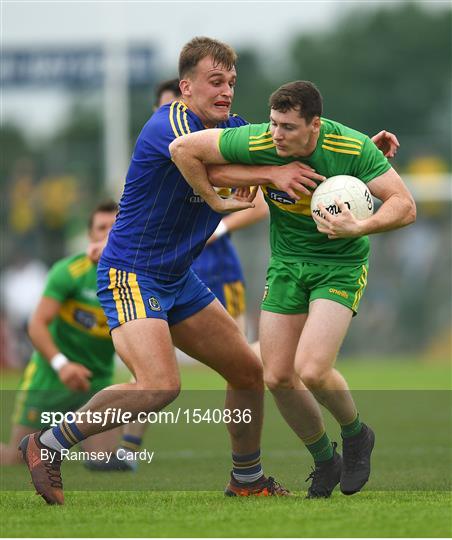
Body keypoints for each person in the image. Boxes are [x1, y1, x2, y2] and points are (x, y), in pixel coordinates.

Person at [20, 37, 327, 505]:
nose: (226, 92)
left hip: (178, 277)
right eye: (215, 82)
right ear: (186, 87)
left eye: (231, 83)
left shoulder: (235, 128)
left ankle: (247, 479)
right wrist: (269, 175)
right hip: (131, 273)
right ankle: (47, 444)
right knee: (160, 385)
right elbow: (218, 170)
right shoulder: (169, 125)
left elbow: (291, 142)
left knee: (247, 371)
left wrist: (363, 155)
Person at [169, 80, 415, 498]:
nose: (276, 134)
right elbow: (183, 151)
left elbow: (404, 205)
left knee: (313, 369)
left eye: (287, 127)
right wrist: (263, 175)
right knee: (278, 374)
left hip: (339, 265)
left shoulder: (353, 148)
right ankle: (325, 459)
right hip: (286, 265)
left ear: (314, 125)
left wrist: (360, 226)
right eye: (273, 124)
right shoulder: (262, 141)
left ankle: (357, 435)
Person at [1, 201, 119, 465]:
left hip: (97, 382)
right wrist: (62, 365)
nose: (109, 233)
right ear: (91, 236)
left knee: (103, 463)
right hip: (52, 378)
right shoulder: (68, 272)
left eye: (116, 226)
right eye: (102, 227)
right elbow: (37, 324)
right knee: (18, 459)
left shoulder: (135, 277)